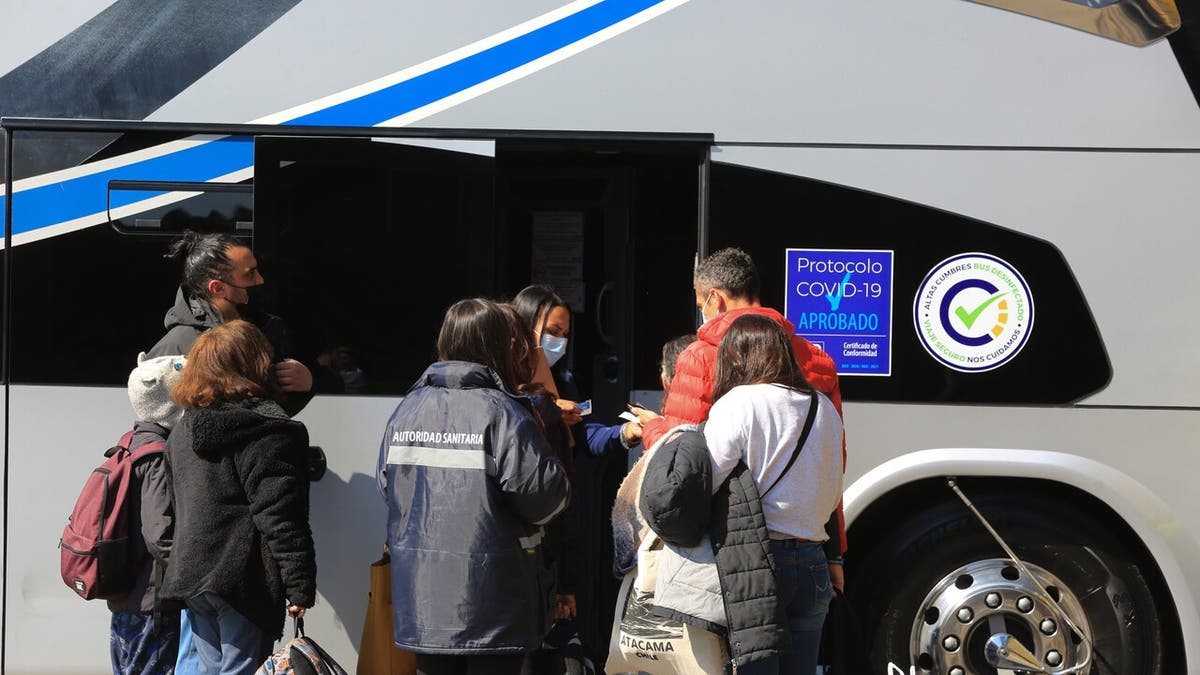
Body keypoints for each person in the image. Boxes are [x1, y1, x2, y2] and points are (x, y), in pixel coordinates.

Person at [638, 316, 844, 673]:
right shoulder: (822, 406)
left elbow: (707, 481)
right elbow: (832, 488)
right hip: (813, 564)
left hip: (757, 566)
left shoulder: (739, 403)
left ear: (735, 357)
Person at [377, 298, 571, 675]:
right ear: (499, 345)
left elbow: (388, 488)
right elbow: (545, 500)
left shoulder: (407, 409)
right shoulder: (505, 413)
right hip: (494, 605)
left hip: (423, 602)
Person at [636, 247, 848, 589]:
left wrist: (652, 428)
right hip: (808, 550)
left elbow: (681, 463)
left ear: (715, 299)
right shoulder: (818, 361)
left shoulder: (701, 356)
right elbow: (830, 462)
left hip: (732, 552)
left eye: (701, 304)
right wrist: (835, 552)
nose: (703, 313)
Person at [160, 320, 317, 675]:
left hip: (193, 577)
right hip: (243, 581)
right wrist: (299, 587)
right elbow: (281, 517)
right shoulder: (269, 432)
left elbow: (178, 507)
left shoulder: (182, 432)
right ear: (256, 364)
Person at [146, 230, 314, 415]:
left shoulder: (268, 328)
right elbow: (158, 417)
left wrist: (305, 384)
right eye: (250, 274)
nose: (260, 279)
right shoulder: (175, 346)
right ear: (218, 288)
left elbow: (276, 412)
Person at [109, 353, 187, 675]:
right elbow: (159, 535)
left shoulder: (131, 443)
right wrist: (192, 573)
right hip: (151, 603)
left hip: (130, 598)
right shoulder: (157, 455)